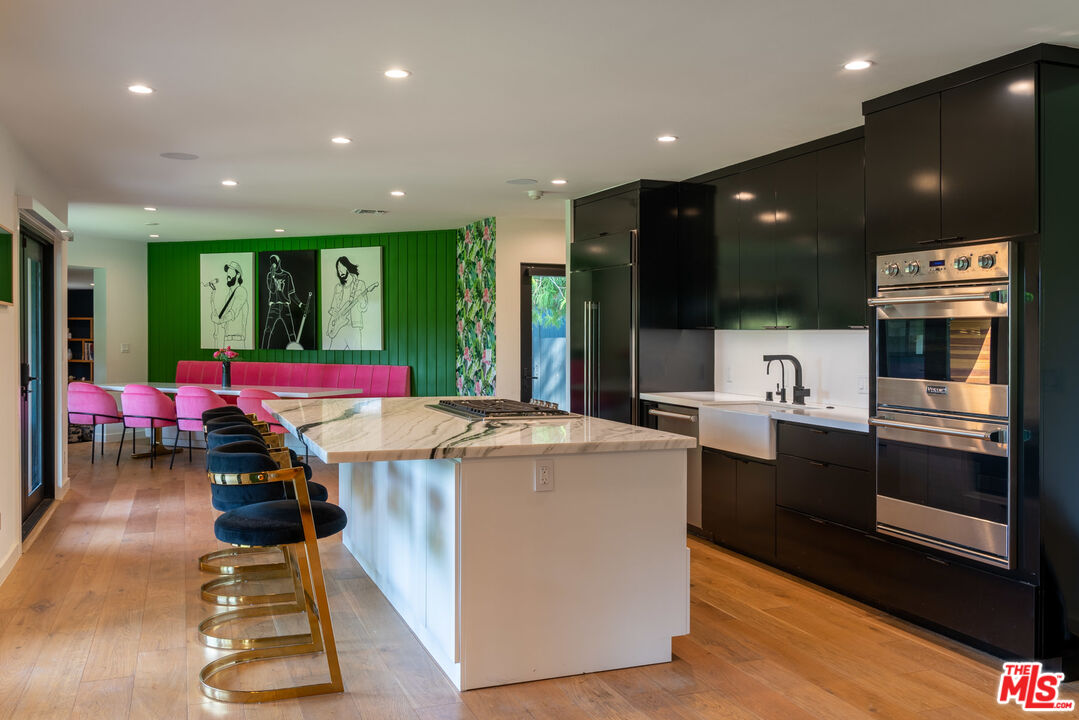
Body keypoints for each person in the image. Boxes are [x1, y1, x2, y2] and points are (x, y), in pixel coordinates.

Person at [326, 256, 371, 350]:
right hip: (338, 329)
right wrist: (332, 324)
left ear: (347, 267)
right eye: (338, 269)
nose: (340, 271)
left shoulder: (360, 284)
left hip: (353, 328)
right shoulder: (338, 287)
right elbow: (333, 308)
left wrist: (362, 301)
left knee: (359, 360)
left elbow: (364, 308)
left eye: (341, 267)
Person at [261, 254, 305, 348]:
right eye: (272, 263)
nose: (274, 265)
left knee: (291, 332)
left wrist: (300, 304)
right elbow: (272, 290)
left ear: (279, 262)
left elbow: (292, 294)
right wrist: (273, 276)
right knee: (268, 330)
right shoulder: (270, 275)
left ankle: (295, 350)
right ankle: (263, 350)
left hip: (285, 307)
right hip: (274, 307)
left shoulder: (286, 275)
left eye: (275, 262)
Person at [209, 261, 249, 347]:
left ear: (238, 275)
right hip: (227, 341)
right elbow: (225, 319)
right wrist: (217, 318)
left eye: (231, 270)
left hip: (237, 340)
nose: (228, 274)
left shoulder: (241, 290)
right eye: (228, 271)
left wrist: (220, 320)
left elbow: (233, 312)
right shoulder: (229, 295)